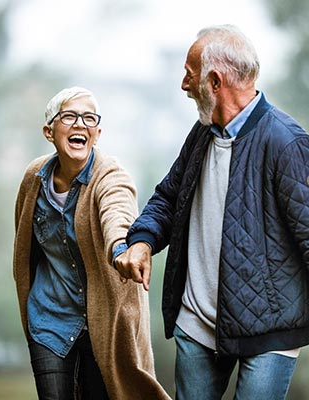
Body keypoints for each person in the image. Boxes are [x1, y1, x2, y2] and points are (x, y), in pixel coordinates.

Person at [114, 25, 309, 399]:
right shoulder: (202, 133)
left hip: (269, 333)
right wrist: (140, 241)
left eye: (189, 74)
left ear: (215, 80)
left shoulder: (287, 142)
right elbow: (168, 198)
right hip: (197, 326)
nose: (184, 85)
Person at [13, 86, 171, 400]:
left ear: (97, 133)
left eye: (88, 118)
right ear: (49, 131)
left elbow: (118, 213)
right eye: (69, 116)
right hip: (49, 318)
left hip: (103, 324)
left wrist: (121, 249)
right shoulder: (34, 178)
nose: (80, 124)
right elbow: (24, 244)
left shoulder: (110, 175)